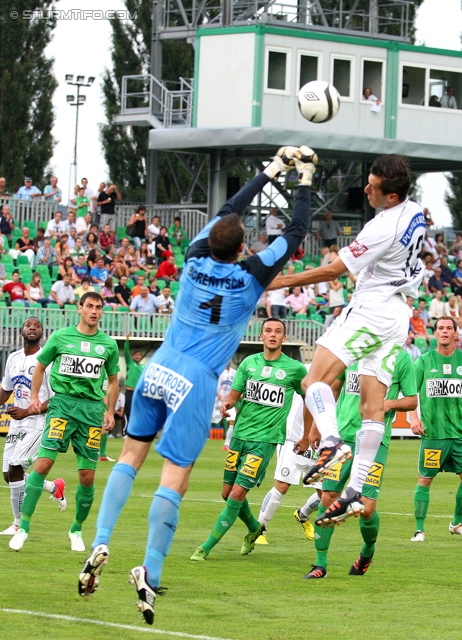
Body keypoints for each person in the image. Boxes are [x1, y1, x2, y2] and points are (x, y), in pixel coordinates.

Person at [77, 145, 315, 624]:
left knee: (130, 455)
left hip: (159, 365)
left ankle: (101, 537)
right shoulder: (252, 274)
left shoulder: (193, 254)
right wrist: (304, 178)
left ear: (212, 239)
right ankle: (152, 568)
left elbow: (229, 210)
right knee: (175, 479)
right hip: (196, 379)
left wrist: (269, 170)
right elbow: (295, 231)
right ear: (241, 247)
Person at [270, 154, 425, 526]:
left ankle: (332, 442)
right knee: (373, 409)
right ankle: (354, 491)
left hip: (371, 308)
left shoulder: (381, 227)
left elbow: (335, 269)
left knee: (313, 381)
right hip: (398, 314)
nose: (366, 189)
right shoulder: (416, 210)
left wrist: (279, 280)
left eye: (374, 187)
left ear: (391, 196)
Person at [9, 293, 120, 552]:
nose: (94, 311)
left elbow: (113, 381)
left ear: (102, 312)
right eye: (89, 306)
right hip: (62, 406)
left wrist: (110, 411)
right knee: (43, 464)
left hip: (92, 411)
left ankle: (76, 530)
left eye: (98, 307)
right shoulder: (61, 337)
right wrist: (35, 396)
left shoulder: (108, 344)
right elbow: (39, 366)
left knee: (87, 476)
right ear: (79, 309)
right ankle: (23, 527)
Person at [191, 318, 308, 561]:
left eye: (278, 331)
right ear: (261, 336)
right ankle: (255, 528)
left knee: (236, 495)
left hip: (264, 441)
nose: (273, 335)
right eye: (268, 331)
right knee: (226, 493)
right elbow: (233, 394)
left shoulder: (295, 369)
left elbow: (309, 398)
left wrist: (308, 433)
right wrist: (227, 403)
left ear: (284, 338)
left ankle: (205, 547)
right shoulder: (249, 363)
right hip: (240, 436)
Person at [305, 350, 417, 578]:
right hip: (344, 436)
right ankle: (320, 564)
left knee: (366, 509)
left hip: (374, 440)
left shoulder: (401, 358)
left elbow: (412, 400)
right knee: (327, 496)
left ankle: (367, 550)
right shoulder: (354, 350)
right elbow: (334, 388)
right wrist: (318, 426)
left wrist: (388, 404)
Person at [0, 317, 67, 535]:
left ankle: (19, 524)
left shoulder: (47, 360)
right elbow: (6, 390)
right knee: (8, 475)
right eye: (29, 325)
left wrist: (28, 411)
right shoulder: (13, 358)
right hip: (16, 423)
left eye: (37, 326)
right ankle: (52, 486)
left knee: (16, 469)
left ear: (42, 333)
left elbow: (56, 398)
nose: (32, 328)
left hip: (38, 422)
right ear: (21, 331)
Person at [409, 316, 462, 542]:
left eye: (449, 328)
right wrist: (413, 417)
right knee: (425, 480)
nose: (444, 332)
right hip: (433, 434)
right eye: (440, 328)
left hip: (459, 435)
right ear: (435, 333)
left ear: (455, 334)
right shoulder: (424, 360)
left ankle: (456, 522)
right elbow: (410, 391)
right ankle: (419, 529)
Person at [254, 392, 320, 545]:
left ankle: (302, 515)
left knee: (327, 494)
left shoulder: (342, 379)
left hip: (319, 443)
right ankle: (259, 530)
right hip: (294, 438)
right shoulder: (307, 372)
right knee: (282, 486)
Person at [123, 333, 145, 428]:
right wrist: (127, 340)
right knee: (127, 411)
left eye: (139, 355)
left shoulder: (143, 367)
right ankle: (125, 431)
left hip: (139, 392)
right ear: (132, 357)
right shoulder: (130, 363)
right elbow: (126, 351)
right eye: (135, 355)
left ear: (141, 357)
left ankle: (136, 430)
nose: (137, 356)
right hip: (130, 391)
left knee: (138, 411)